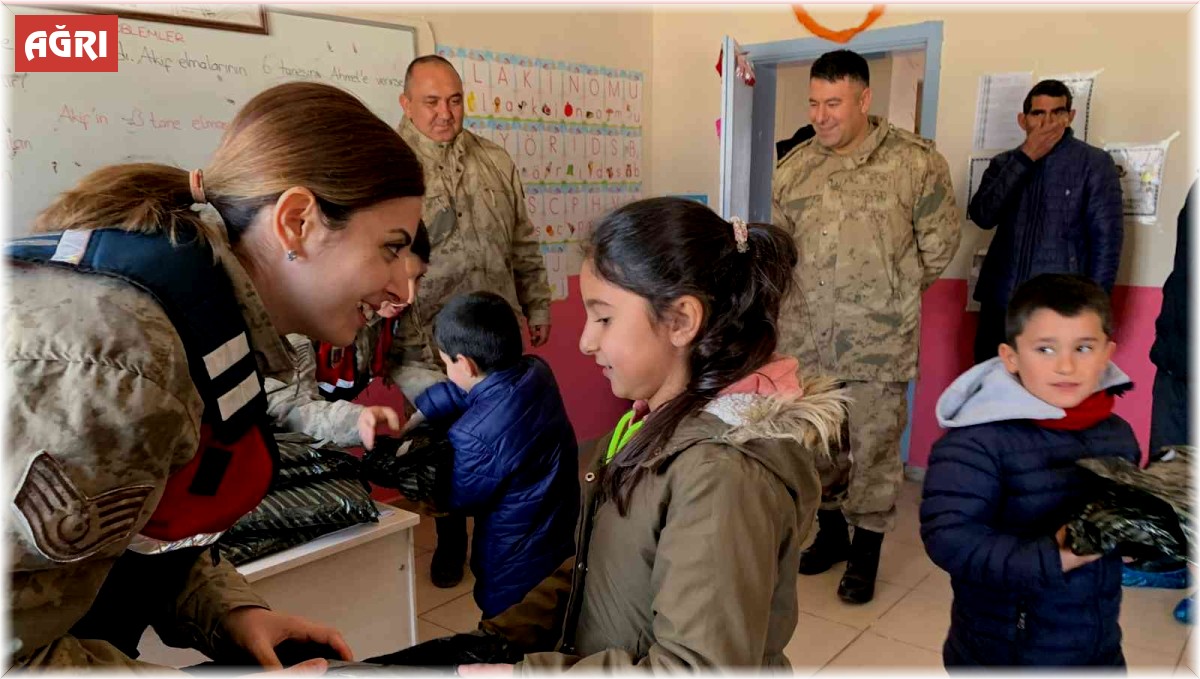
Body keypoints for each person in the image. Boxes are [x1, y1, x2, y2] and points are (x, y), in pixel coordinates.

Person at [4, 81, 427, 670]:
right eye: (390, 249)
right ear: (298, 222)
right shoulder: (127, 367)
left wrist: (228, 611)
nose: (402, 290)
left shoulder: (203, 321)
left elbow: (136, 531)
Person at [469, 197, 848, 670]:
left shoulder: (722, 476)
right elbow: (608, 563)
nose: (587, 341)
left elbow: (696, 667)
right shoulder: (652, 422)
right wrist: (507, 634)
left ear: (681, 321)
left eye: (604, 317)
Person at [771, 48, 961, 604]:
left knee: (875, 450)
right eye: (814, 102)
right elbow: (779, 253)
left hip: (879, 342)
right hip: (805, 342)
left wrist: (888, 295)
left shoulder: (916, 163)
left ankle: (866, 555)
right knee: (817, 448)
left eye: (833, 102)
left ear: (864, 99)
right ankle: (829, 537)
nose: (821, 115)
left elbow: (939, 247)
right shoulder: (795, 167)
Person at [920, 273, 1139, 667]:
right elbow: (949, 538)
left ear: (1108, 353)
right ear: (1011, 357)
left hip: (1096, 643)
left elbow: (1120, 525)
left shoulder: (1117, 434)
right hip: (1004, 649)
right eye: (1046, 349)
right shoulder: (976, 440)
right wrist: (1055, 557)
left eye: (1084, 347)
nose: (1067, 366)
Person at [395, 54, 553, 588]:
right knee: (441, 444)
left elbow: (522, 240)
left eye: (455, 100)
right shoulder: (391, 169)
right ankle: (448, 538)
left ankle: (497, 533)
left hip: (495, 336)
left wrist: (539, 305)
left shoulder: (494, 160)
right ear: (407, 104)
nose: (446, 113)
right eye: (432, 102)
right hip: (428, 341)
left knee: (501, 439)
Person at [397, 291, 578, 621]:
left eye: (447, 362)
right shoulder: (536, 371)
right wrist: (428, 405)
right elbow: (476, 391)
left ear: (464, 363)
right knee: (549, 611)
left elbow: (459, 499)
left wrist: (411, 464)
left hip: (511, 556)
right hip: (556, 529)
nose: (447, 370)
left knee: (507, 625)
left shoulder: (471, 435)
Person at [968, 79, 1124, 365]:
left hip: (1060, 309)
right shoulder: (1005, 163)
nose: (1048, 121)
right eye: (1038, 113)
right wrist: (1026, 158)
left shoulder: (1094, 163)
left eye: (1057, 112)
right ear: (1023, 120)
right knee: (991, 393)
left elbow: (1106, 242)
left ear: (1070, 117)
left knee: (1045, 399)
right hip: (1001, 304)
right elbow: (983, 215)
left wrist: (1094, 313)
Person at [265, 222, 432, 452]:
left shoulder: (394, 304)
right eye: (398, 278)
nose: (409, 296)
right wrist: (353, 421)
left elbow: (409, 360)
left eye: (418, 278)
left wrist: (439, 399)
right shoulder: (298, 317)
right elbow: (289, 410)